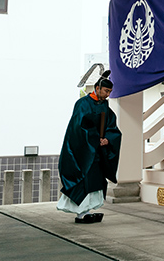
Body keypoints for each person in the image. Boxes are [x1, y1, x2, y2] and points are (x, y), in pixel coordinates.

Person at [57, 70, 122, 224]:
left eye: (110, 92)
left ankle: (87, 211)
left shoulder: (105, 105)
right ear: (97, 88)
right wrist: (94, 138)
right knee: (83, 182)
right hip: (83, 153)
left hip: (97, 153)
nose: (107, 94)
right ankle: (81, 213)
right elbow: (78, 127)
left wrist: (108, 139)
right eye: (106, 91)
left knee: (95, 182)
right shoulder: (82, 104)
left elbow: (112, 126)